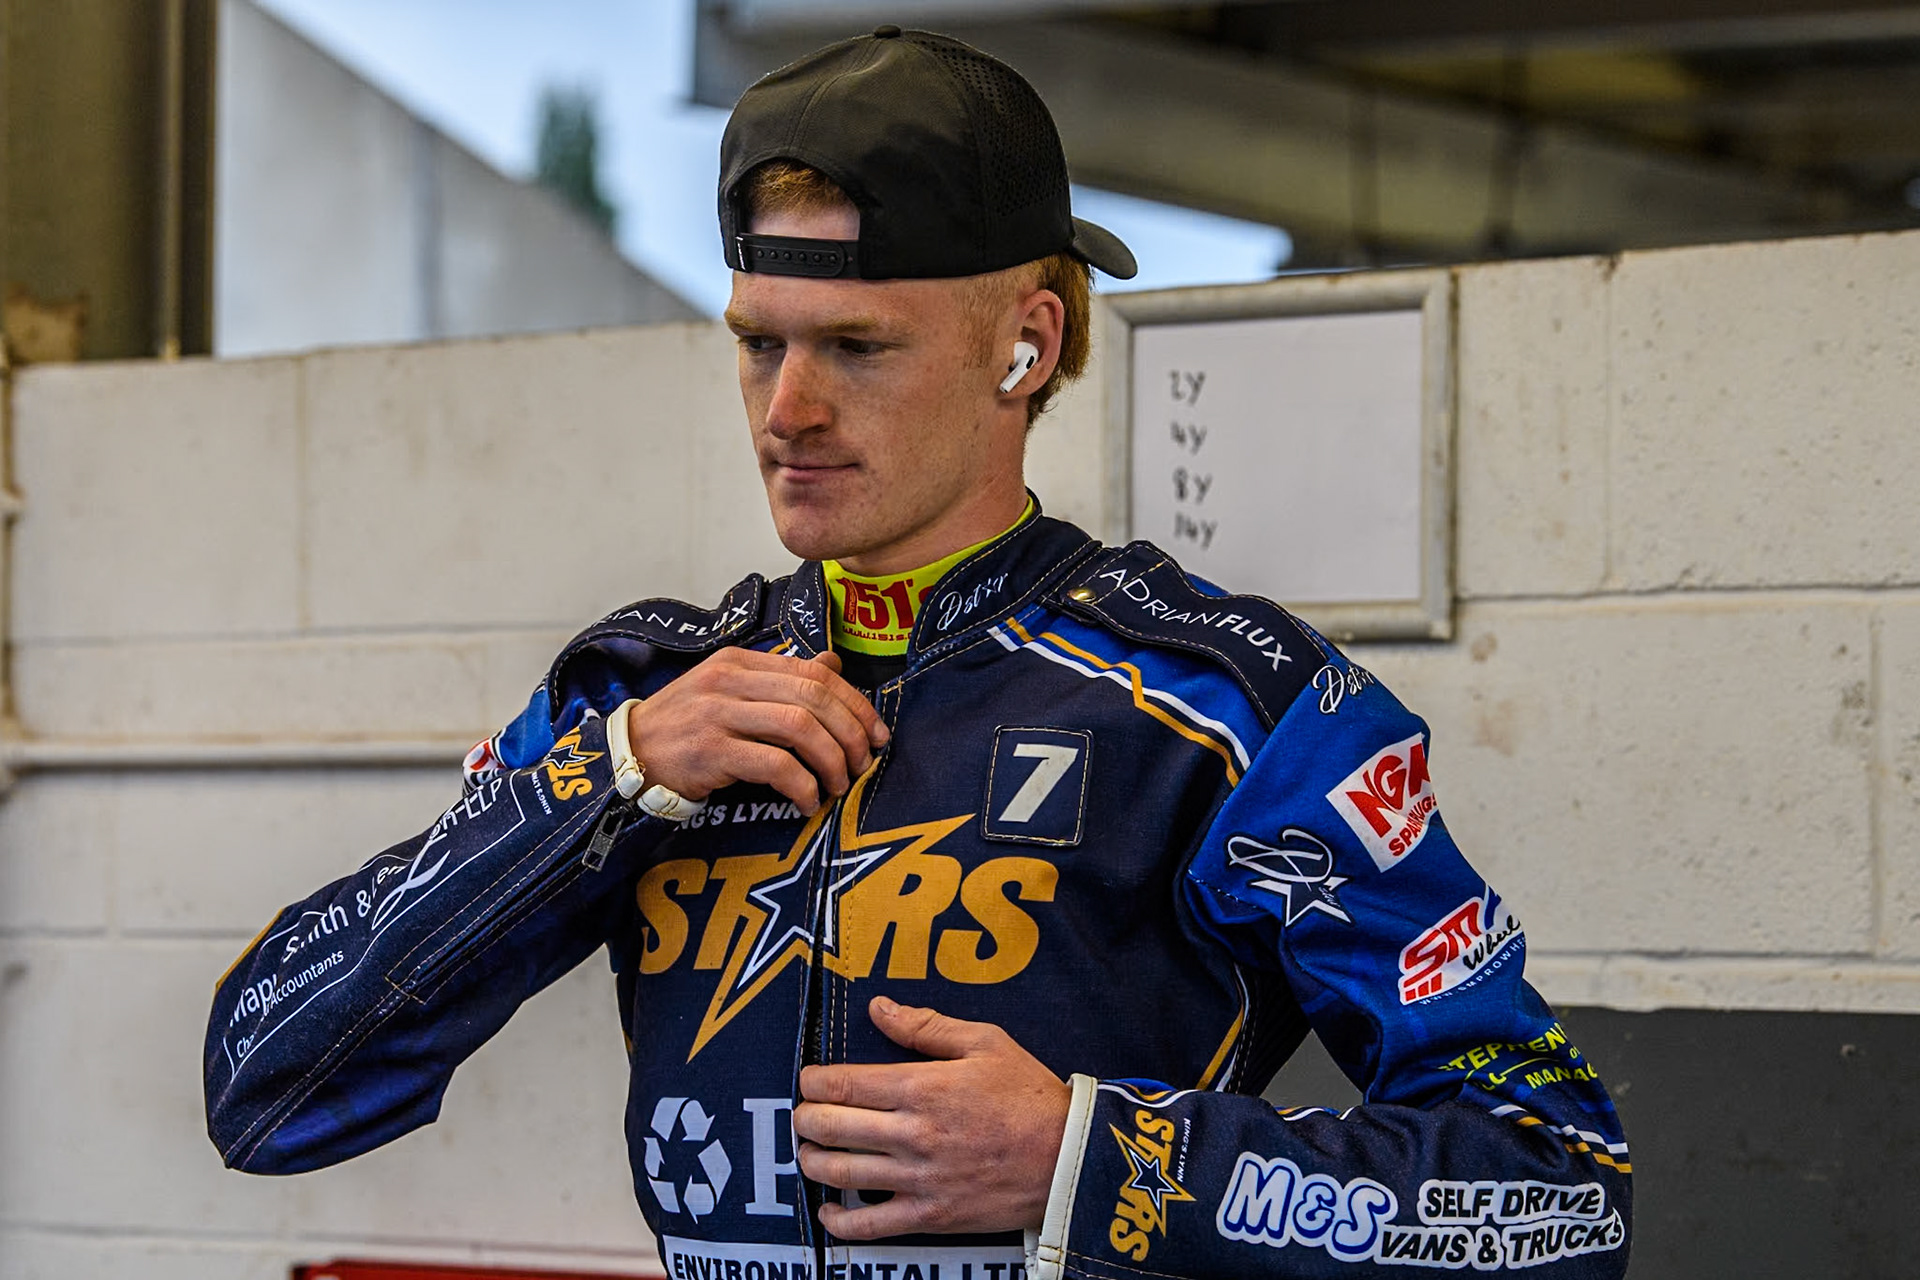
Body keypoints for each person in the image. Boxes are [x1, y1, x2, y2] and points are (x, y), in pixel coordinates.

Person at [206, 26, 1631, 1280]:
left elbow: (1556, 1191)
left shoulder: (1232, 711)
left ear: (1025, 345)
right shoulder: (647, 702)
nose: (788, 409)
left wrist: (1102, 1162)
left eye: (858, 347)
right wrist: (608, 782)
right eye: (759, 345)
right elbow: (261, 1089)